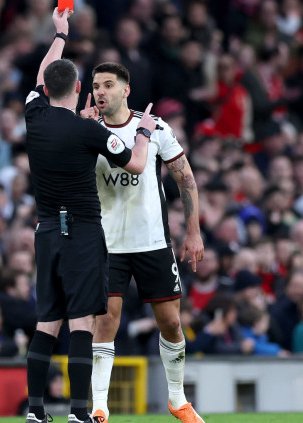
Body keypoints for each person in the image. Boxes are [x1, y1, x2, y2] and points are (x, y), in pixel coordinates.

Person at [23, 9, 152, 423]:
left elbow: (43, 75)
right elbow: (135, 165)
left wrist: (60, 34)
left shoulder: (34, 116)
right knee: (81, 322)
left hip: (46, 231)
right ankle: (79, 413)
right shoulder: (89, 130)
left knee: (47, 323)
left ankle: (35, 411)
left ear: (46, 89)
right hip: (80, 232)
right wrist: (144, 132)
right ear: (79, 88)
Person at [80, 61, 205, 423]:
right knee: (106, 321)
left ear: (126, 90)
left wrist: (193, 231)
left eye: (108, 85)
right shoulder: (86, 131)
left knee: (171, 323)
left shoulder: (155, 128)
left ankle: (177, 399)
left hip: (152, 241)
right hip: (107, 243)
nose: (100, 92)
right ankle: (99, 406)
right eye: (96, 86)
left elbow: (186, 179)